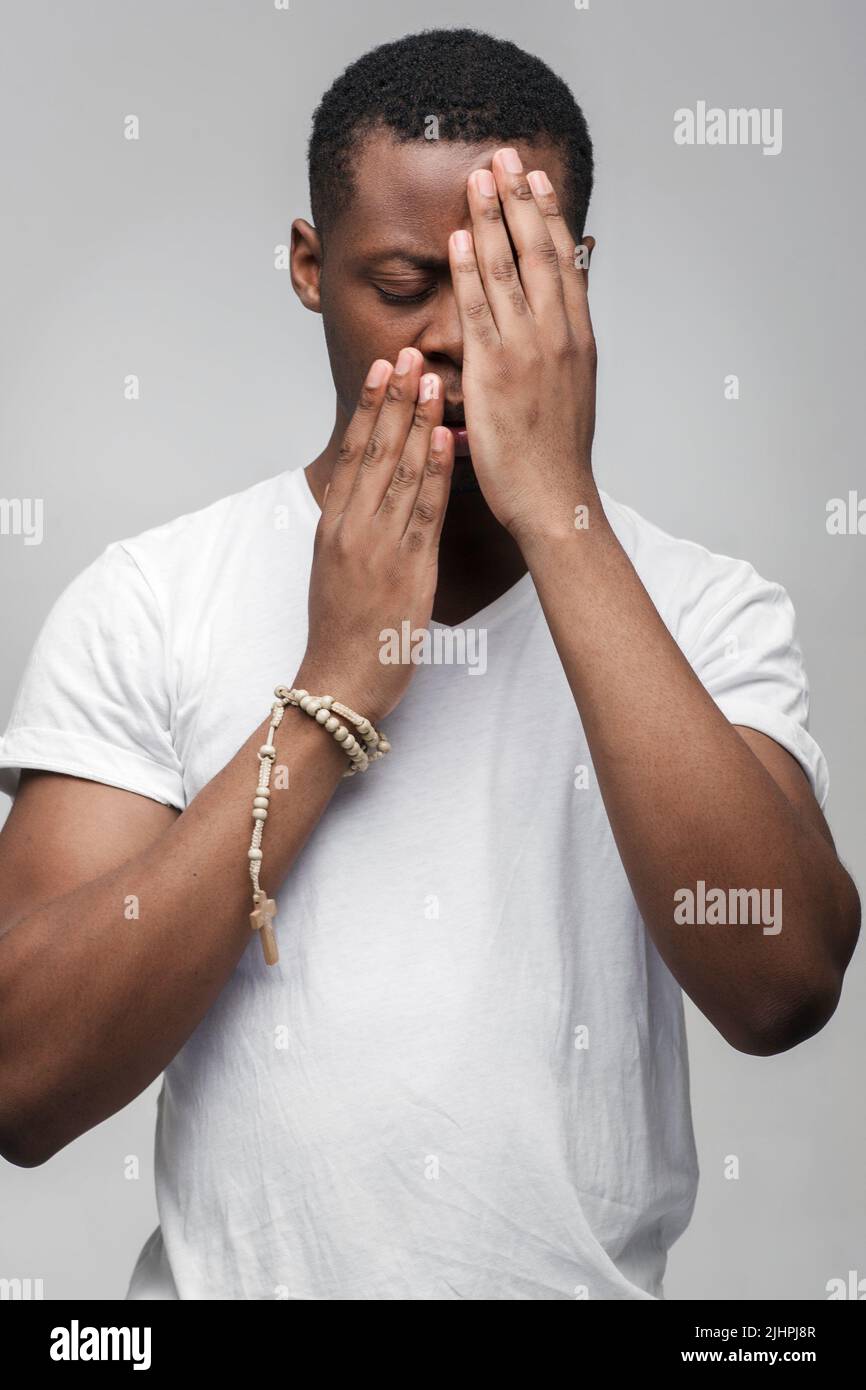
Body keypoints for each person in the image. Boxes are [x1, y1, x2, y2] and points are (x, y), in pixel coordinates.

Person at [0, 28, 859, 1301]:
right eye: (406, 282)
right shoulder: (151, 598)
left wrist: (557, 507)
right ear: (307, 266)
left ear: (579, 276)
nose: (458, 335)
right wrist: (334, 692)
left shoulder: (703, 607)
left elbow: (781, 982)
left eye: (512, 278)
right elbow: (23, 1080)